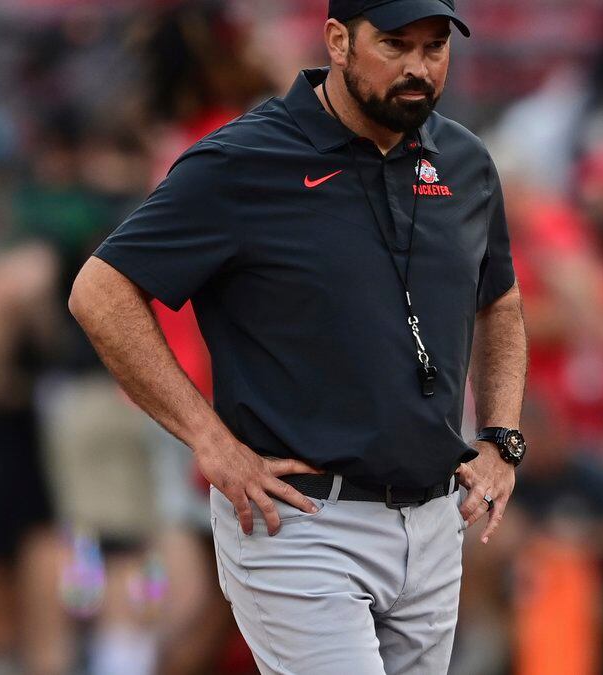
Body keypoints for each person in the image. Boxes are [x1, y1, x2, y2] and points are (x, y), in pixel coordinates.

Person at [68, 0, 528, 672]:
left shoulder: (464, 159)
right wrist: (210, 440)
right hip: (301, 518)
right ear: (338, 41)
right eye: (395, 44)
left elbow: (503, 300)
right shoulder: (245, 158)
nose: (418, 68)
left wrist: (502, 436)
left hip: (433, 519)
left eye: (434, 48)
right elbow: (101, 291)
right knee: (188, 611)